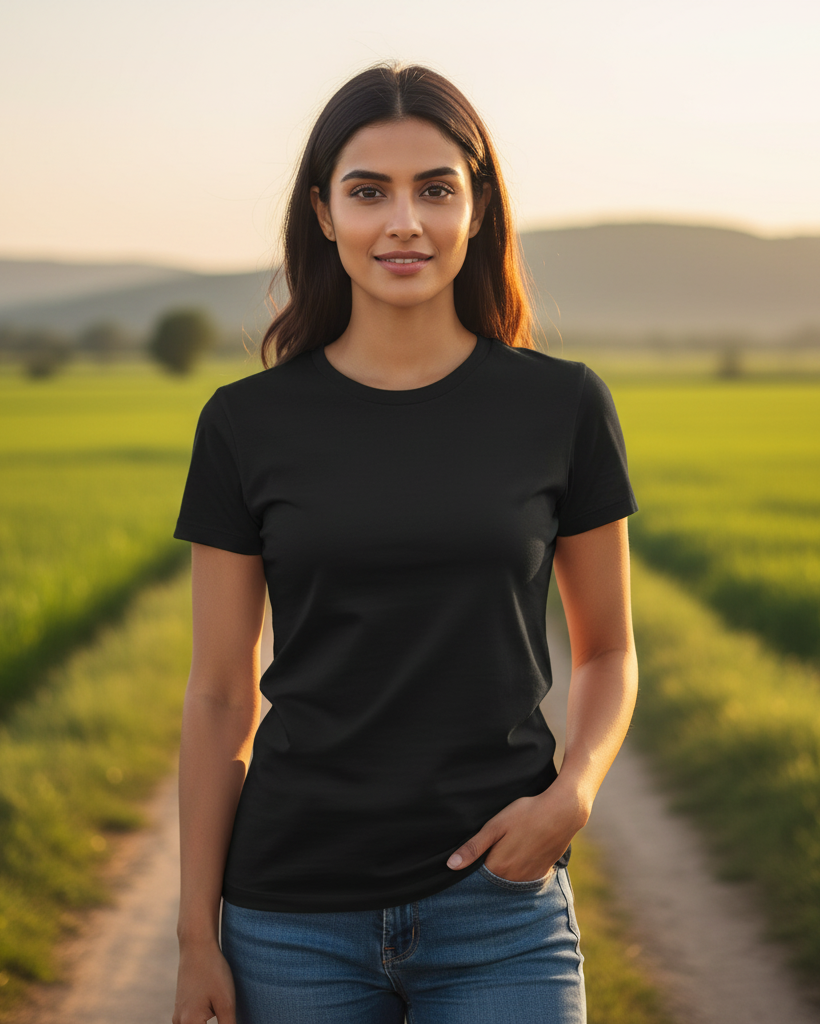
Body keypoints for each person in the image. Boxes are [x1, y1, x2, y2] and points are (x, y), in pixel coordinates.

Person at [171, 61, 639, 1024]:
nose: (404, 223)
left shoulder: (563, 406)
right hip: (289, 916)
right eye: (368, 191)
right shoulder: (244, 425)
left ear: (477, 209)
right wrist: (193, 937)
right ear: (323, 212)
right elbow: (220, 695)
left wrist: (573, 793)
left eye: (435, 190)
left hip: (500, 913)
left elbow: (607, 651)